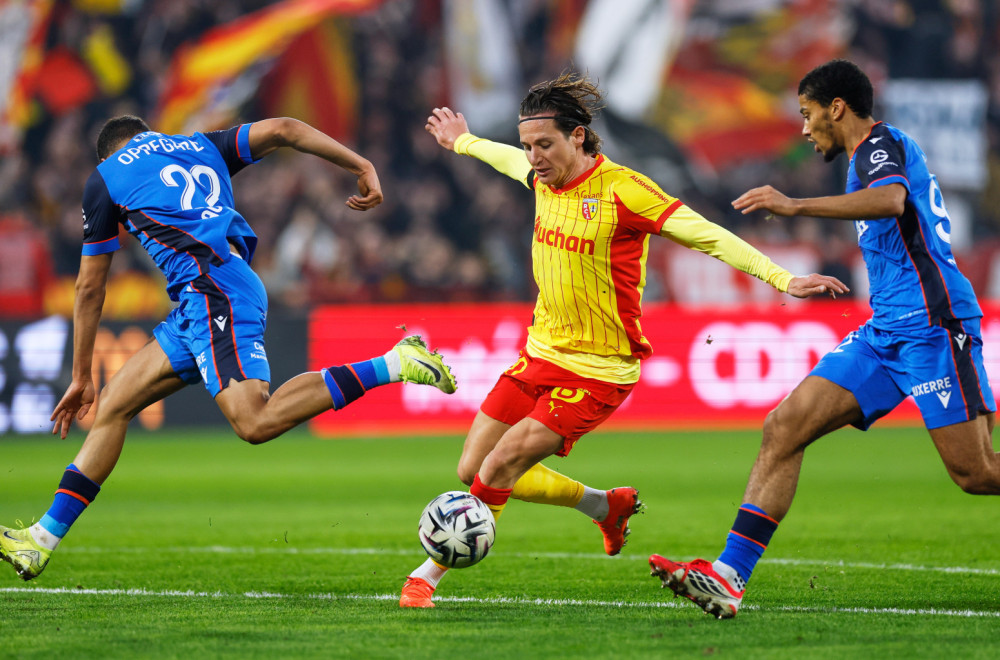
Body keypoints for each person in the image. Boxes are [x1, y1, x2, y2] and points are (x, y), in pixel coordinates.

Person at [399, 73, 847, 608]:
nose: (534, 157)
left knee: (500, 465)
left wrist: (781, 278)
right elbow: (505, 159)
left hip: (600, 369)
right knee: (471, 468)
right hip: (540, 353)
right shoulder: (541, 177)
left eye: (545, 145)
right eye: (528, 146)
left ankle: (427, 576)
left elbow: (707, 235)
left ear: (579, 137)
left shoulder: (624, 191)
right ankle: (604, 506)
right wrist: (463, 141)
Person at [0, 115, 457, 581]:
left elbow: (89, 287)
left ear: (109, 152)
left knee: (254, 421)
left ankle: (394, 362)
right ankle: (41, 540)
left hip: (214, 291)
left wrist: (80, 375)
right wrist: (361, 164)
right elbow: (284, 128)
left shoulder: (107, 176)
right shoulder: (201, 145)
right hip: (203, 295)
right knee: (114, 404)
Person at [649, 59, 999, 619]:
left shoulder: (879, 145)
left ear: (837, 108)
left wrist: (794, 203)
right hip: (885, 331)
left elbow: (891, 200)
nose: (804, 128)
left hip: (934, 325)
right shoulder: (863, 158)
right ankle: (728, 577)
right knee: (784, 425)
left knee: (975, 473)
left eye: (808, 114)